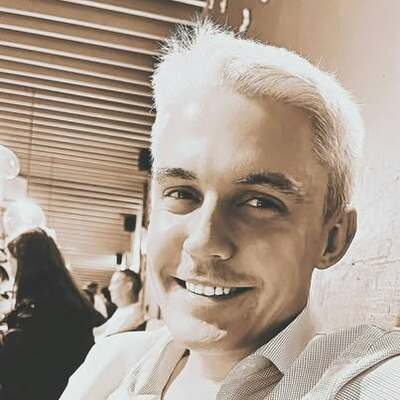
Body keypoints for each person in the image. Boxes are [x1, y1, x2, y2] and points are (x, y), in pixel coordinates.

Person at [61, 20, 400, 399]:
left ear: (332, 238)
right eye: (182, 193)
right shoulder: (110, 365)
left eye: (259, 202)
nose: (203, 242)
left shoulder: (367, 386)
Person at [0, 228, 95, 400]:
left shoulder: (42, 310)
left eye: (10, 260)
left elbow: (21, 367)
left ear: (25, 265)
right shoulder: (67, 301)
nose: (9, 268)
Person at [93, 269, 146, 341]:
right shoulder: (123, 310)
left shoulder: (133, 315)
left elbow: (105, 340)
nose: (109, 288)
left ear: (129, 286)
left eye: (114, 283)